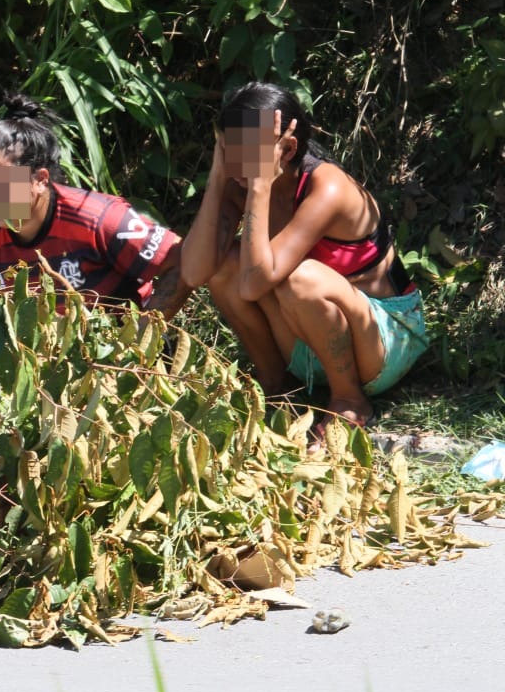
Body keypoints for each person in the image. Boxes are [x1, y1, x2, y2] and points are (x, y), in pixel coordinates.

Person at [179, 81, 428, 437]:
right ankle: (277, 388)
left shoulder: (327, 187)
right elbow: (195, 271)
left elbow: (254, 284)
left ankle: (349, 400)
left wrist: (260, 187)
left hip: (385, 342)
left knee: (299, 277)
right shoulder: (239, 180)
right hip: (310, 343)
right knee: (225, 268)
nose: (235, 164)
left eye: (241, 153)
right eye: (226, 149)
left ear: (287, 148)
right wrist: (219, 178)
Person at [0, 93, 191, 322]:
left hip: (116, 349)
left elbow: (181, 260)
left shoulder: (98, 218)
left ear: (40, 180)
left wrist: (139, 340)